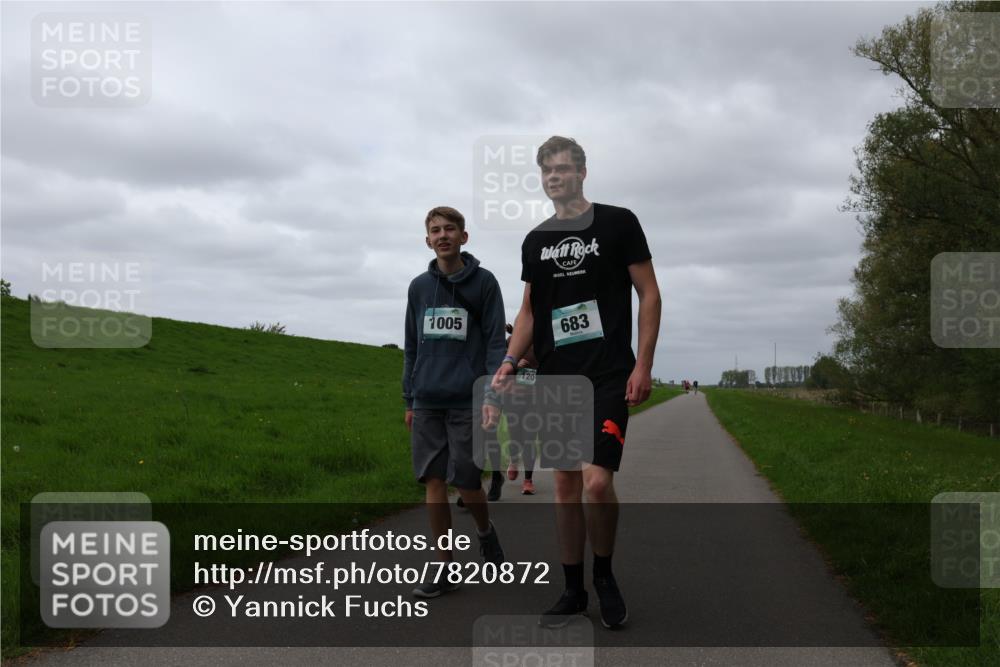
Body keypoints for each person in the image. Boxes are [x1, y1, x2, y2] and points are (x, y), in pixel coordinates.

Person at [492, 137, 661, 629]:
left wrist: (643, 364)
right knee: (565, 484)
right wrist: (508, 360)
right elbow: (528, 311)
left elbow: (649, 294)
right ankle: (572, 589)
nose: (554, 178)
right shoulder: (535, 240)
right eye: (546, 171)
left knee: (596, 480)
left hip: (608, 372)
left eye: (563, 169)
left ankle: (604, 574)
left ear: (583, 172)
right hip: (556, 377)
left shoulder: (618, 222)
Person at [403, 206, 507, 599]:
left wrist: (492, 393)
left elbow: (497, 343)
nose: (442, 235)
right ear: (427, 240)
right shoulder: (417, 288)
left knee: (466, 482)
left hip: (469, 398)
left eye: (450, 229)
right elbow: (411, 347)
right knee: (433, 479)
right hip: (428, 398)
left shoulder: (484, 283)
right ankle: (445, 564)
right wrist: (409, 398)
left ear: (464, 237)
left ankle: (485, 532)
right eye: (434, 230)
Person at [503, 322, 540, 495]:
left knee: (529, 439)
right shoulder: (510, 342)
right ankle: (513, 458)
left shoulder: (542, 344)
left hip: (534, 398)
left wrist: (532, 367)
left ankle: (528, 480)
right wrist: (516, 365)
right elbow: (501, 365)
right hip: (512, 397)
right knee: (515, 434)